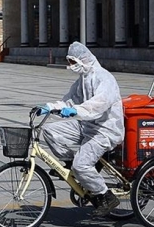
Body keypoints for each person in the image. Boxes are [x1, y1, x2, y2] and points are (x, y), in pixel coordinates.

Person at [36, 41, 124, 218]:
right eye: (69, 62)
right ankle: (70, 165)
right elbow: (69, 101)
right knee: (50, 131)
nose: (71, 66)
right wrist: (50, 106)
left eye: (73, 62)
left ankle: (105, 196)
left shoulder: (104, 78)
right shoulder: (82, 80)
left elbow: (99, 104)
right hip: (86, 125)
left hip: (105, 129)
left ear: (84, 60)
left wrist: (77, 110)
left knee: (82, 165)